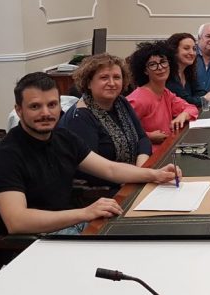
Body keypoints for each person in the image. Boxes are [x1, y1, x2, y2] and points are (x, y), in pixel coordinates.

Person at [0, 73, 180, 235]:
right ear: (19, 110)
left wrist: (155, 174)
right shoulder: (6, 156)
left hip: (70, 223)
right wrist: (85, 213)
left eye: (52, 105)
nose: (46, 113)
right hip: (35, 241)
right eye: (35, 106)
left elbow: (110, 169)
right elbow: (17, 221)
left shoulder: (63, 137)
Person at [58, 53, 152, 191]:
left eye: (116, 77)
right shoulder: (79, 117)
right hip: (100, 191)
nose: (112, 83)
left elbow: (142, 138)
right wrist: (137, 175)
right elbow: (90, 172)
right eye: (104, 78)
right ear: (88, 82)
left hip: (132, 179)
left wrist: (140, 169)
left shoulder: (121, 102)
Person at [127, 41, 199, 152]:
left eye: (163, 62)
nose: (160, 67)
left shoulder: (166, 93)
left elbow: (191, 108)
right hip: (148, 155)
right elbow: (123, 132)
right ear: (145, 70)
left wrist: (183, 115)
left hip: (167, 149)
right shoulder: (138, 99)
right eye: (153, 64)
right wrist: (149, 136)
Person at [165, 32, 210, 107]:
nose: (192, 53)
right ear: (174, 51)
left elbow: (200, 92)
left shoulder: (188, 71)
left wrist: (200, 99)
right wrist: (204, 99)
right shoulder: (168, 75)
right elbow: (185, 102)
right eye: (186, 48)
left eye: (194, 49)